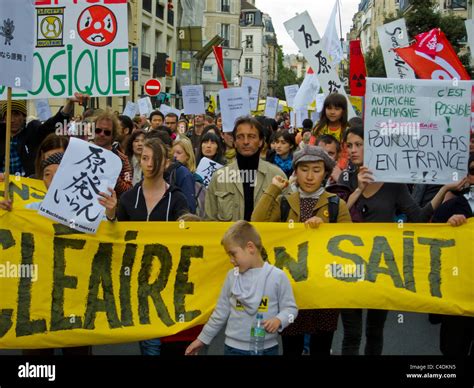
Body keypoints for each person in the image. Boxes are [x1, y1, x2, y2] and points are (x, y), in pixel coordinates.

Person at [339, 124, 467, 356]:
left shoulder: (392, 183)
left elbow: (417, 216)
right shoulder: (345, 178)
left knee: (375, 331)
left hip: (382, 265)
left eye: (359, 144)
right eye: (350, 145)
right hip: (350, 265)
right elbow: (336, 219)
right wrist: (358, 190)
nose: (354, 150)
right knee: (351, 334)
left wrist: (445, 189)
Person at [252, 145, 351, 356]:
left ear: (325, 173)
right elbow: (257, 222)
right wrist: (274, 188)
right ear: (295, 171)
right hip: (291, 289)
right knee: (291, 346)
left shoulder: (336, 204)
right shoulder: (285, 201)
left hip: (325, 289)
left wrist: (325, 230)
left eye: (316, 170)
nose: (310, 176)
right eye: (304, 169)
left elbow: (349, 243)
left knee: (321, 347)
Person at [106, 138, 189, 355]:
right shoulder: (128, 198)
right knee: (150, 345)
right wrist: (111, 213)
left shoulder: (177, 198)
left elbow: (189, 234)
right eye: (145, 158)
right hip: (138, 283)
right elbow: (114, 235)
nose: (150, 164)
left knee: (170, 340)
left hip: (169, 282)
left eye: (156, 159)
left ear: (166, 163)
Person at [185, 220, 298, 356]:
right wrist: (202, 339)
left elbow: (291, 310)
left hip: (267, 349)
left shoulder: (278, 276)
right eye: (229, 255)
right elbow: (220, 313)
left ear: (250, 247)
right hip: (233, 349)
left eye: (233, 254)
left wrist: (280, 320)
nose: (231, 260)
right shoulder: (231, 277)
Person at [431, 152, 474, 356]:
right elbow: (429, 241)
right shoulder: (452, 207)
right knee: (453, 350)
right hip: (458, 295)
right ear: (467, 176)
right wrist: (448, 228)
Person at [205, 116, 287, 221]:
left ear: (261, 141)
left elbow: (288, 218)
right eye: (240, 137)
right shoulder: (218, 177)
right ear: (234, 142)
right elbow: (209, 219)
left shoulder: (277, 176)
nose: (246, 141)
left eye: (252, 136)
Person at [0, 93, 87, 178]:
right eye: (8, 115)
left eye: (16, 114)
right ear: (4, 118)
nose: (11, 120)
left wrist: (70, 103)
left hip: (27, 184)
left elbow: (53, 124)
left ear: (24, 116)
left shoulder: (32, 131)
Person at [92, 110, 132, 198]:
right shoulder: (81, 152)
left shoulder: (122, 159)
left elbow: (129, 188)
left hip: (109, 208)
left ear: (113, 134)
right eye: (98, 130)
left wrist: (114, 177)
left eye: (107, 132)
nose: (102, 134)